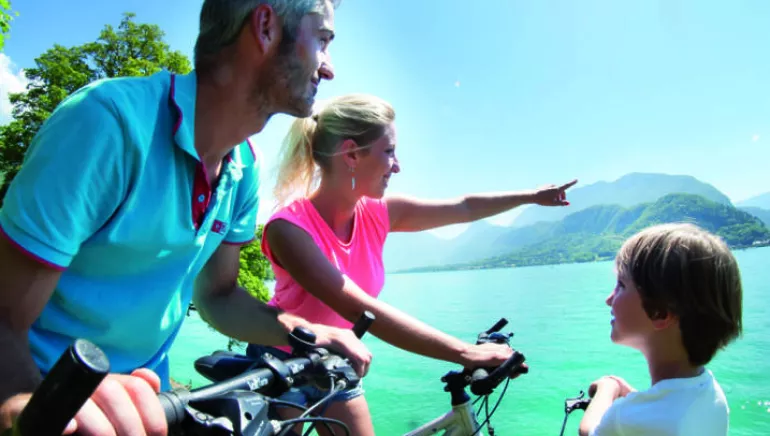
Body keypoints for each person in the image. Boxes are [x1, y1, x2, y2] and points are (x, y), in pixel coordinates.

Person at [0, 1, 373, 435]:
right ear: (266, 26)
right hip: (53, 405)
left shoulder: (244, 165)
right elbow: (4, 316)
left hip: (152, 405)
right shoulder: (108, 124)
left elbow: (218, 295)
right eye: (323, 40)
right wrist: (21, 406)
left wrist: (305, 332)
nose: (328, 68)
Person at [246, 93, 578, 435]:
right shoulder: (289, 229)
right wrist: (466, 353)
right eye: (389, 151)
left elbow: (463, 207)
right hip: (279, 364)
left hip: (337, 362)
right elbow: (357, 307)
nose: (397, 166)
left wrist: (530, 196)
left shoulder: (378, 213)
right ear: (352, 154)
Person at [578, 223, 743, 436]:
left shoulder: (624, 419)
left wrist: (608, 388)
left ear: (661, 313)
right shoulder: (710, 392)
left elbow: (589, 431)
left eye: (621, 285)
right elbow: (662, 416)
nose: (609, 299)